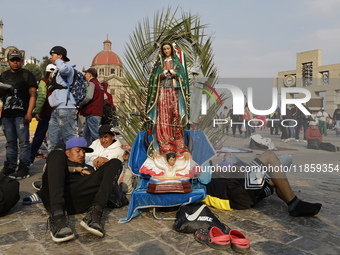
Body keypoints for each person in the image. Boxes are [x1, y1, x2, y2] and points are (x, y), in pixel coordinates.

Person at [39, 137, 122, 242]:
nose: (82, 154)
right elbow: (49, 170)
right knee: (55, 153)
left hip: (81, 197)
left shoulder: (89, 167)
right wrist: (76, 169)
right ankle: (57, 217)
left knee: (115, 162)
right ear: (67, 153)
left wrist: (106, 163)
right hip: (58, 196)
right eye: (78, 151)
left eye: (84, 152)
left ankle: (95, 212)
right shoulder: (60, 161)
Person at [205, 152, 322, 217]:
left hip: (244, 194)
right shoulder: (199, 180)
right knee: (270, 156)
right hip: (237, 192)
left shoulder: (201, 176)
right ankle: (294, 204)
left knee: (275, 178)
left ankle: (292, 204)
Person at [145, 41, 190, 158]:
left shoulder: (176, 62)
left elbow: (183, 77)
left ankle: (177, 142)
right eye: (164, 49)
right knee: (163, 116)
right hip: (162, 93)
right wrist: (162, 74)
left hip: (174, 92)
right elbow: (152, 79)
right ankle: (163, 140)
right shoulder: (159, 63)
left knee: (174, 115)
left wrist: (175, 74)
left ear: (171, 50)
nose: (166, 51)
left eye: (168, 49)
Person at [0, 48, 37, 179]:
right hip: (7, 114)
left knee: (23, 142)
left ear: (21, 61)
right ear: (8, 61)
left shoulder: (27, 75)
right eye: (12, 60)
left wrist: (29, 113)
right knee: (10, 142)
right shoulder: (3, 76)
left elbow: (33, 95)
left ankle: (24, 167)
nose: (15, 62)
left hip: (21, 114)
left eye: (17, 60)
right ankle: (10, 166)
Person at [47, 46, 77, 151]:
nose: (50, 57)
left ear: (60, 56)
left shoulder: (66, 67)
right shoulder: (57, 70)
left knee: (70, 138)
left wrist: (59, 61)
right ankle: (53, 164)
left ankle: (74, 163)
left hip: (66, 108)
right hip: (57, 109)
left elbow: (64, 69)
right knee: (52, 140)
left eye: (52, 55)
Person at [30, 64, 56, 164]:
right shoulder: (44, 82)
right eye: (52, 71)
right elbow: (41, 97)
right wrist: (37, 112)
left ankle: (30, 160)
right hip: (46, 113)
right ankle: (30, 159)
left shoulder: (50, 82)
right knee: (39, 138)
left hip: (52, 114)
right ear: (49, 72)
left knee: (50, 138)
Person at [79, 68, 104, 146]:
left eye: (86, 74)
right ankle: (87, 149)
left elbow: (89, 97)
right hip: (97, 112)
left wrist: (80, 104)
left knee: (95, 134)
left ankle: (101, 149)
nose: (85, 75)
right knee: (86, 133)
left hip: (92, 112)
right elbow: (105, 98)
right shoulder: (99, 84)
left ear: (90, 74)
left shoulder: (92, 83)